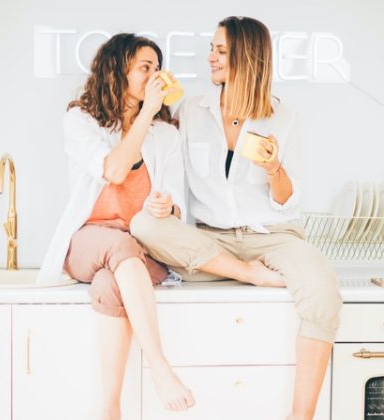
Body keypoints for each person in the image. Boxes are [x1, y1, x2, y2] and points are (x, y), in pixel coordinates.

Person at [130, 17, 342, 420]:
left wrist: (275, 168)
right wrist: (168, 206)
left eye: (220, 51)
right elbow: (176, 186)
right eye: (212, 48)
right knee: (143, 224)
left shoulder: (283, 116)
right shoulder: (193, 110)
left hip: (274, 236)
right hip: (213, 244)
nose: (209, 57)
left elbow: (287, 202)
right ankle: (248, 273)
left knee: (323, 294)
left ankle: (302, 416)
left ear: (247, 57)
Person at [37, 33, 195, 420]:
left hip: (142, 248)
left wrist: (167, 205)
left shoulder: (167, 134)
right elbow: (114, 169)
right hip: (90, 243)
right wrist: (145, 114)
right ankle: (160, 368)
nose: (155, 76)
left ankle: (109, 408)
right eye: (145, 68)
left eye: (158, 68)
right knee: (119, 251)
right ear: (117, 70)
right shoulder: (81, 121)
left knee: (112, 282)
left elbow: (177, 204)